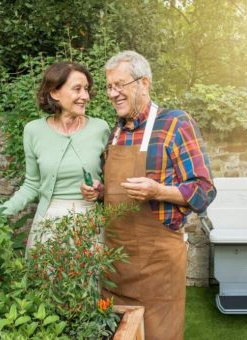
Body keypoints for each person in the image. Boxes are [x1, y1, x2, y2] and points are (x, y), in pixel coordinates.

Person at [81, 51, 215, 340]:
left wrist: (159, 191)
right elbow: (119, 193)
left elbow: (205, 189)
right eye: (108, 87)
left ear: (144, 83)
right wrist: (102, 192)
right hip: (115, 263)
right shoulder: (115, 132)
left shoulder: (175, 124)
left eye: (119, 85)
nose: (112, 94)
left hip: (158, 266)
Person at [0, 61, 109, 253]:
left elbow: (113, 182)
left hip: (89, 224)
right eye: (77, 89)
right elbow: (31, 185)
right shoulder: (33, 131)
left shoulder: (100, 128)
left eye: (86, 89)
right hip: (48, 224)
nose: (85, 96)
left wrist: (101, 192)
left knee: (87, 281)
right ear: (54, 92)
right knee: (46, 281)